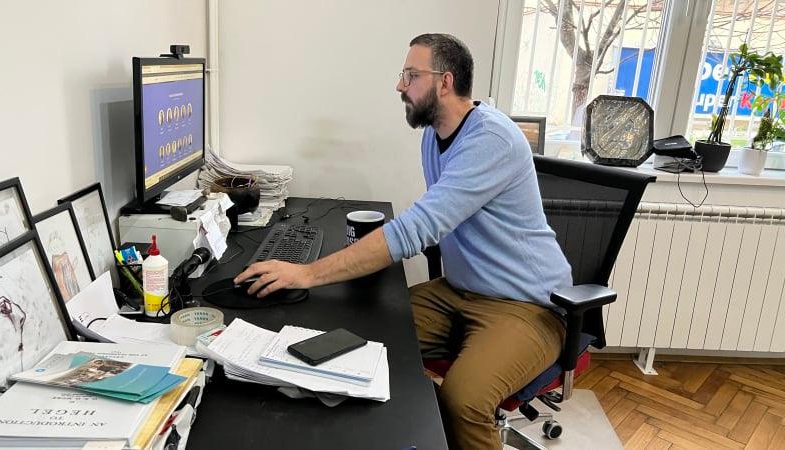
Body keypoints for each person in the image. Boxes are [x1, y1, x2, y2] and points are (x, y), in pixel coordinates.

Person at [234, 33, 572, 450]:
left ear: (444, 82)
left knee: (464, 401)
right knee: (364, 336)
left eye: (411, 75)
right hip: (460, 291)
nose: (400, 85)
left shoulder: (491, 139)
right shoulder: (434, 135)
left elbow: (418, 228)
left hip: (527, 305)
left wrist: (306, 273)